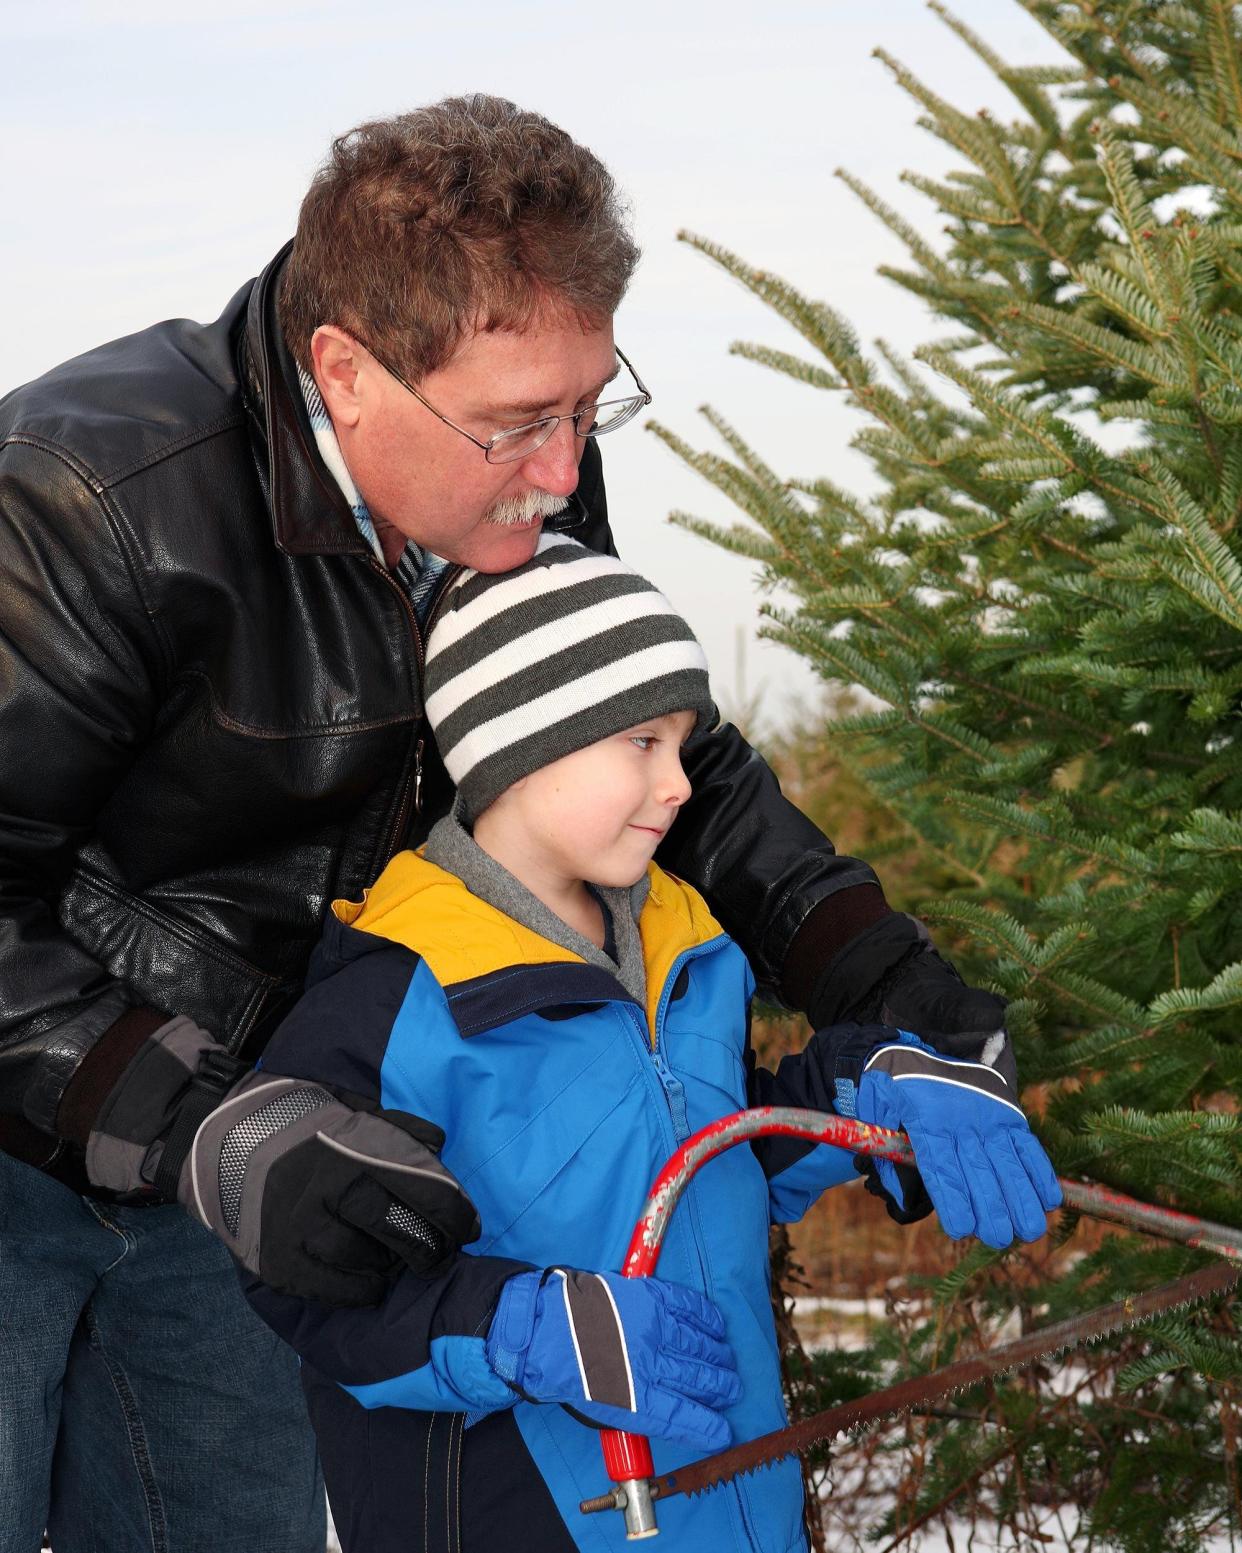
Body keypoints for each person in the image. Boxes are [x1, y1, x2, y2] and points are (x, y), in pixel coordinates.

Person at [0, 96, 1017, 1550]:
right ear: (343, 372)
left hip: (283, 1167)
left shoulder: (511, 471)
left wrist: (904, 998)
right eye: (517, 424)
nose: (564, 472)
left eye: (586, 407)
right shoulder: (85, 498)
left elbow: (665, 762)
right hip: (69, 1120)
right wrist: (206, 1127)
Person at [244, 536, 1062, 1553]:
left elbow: (711, 1147)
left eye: (682, 742)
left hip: (734, 1502)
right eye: (642, 742)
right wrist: (515, 1323)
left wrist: (870, 1090)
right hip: (527, 1516)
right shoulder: (394, 989)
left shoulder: (684, 938)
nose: (681, 784)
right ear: (522, 745)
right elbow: (303, 1272)